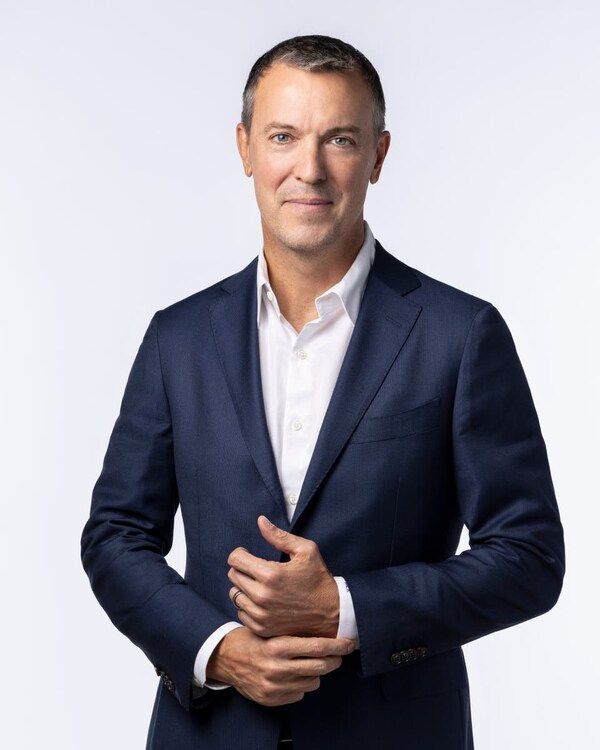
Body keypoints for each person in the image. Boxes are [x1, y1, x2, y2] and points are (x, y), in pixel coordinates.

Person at [80, 34, 565, 750]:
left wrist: (346, 606)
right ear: (246, 148)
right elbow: (116, 536)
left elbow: (529, 557)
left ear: (378, 155)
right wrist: (218, 651)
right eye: (283, 136)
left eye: (339, 139)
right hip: (210, 733)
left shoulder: (461, 335)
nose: (308, 169)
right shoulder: (177, 338)